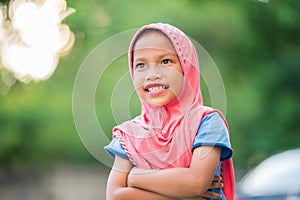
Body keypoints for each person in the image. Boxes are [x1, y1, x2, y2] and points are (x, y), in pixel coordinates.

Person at [105, 22, 235, 200]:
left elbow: (195, 182)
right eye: (141, 65)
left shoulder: (206, 122)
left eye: (166, 61)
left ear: (186, 66)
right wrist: (182, 196)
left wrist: (135, 176)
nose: (152, 74)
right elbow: (115, 195)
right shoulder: (130, 134)